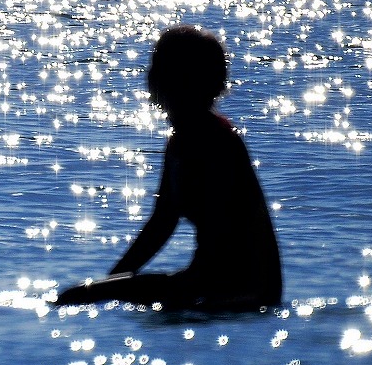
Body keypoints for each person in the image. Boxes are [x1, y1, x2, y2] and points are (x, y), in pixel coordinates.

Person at [56, 25, 282, 311]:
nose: (149, 78)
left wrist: (106, 289)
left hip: (239, 290)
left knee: (75, 298)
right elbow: (162, 221)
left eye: (158, 69)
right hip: (208, 281)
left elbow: (223, 237)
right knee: (83, 296)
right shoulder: (181, 139)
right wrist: (110, 283)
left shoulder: (216, 140)